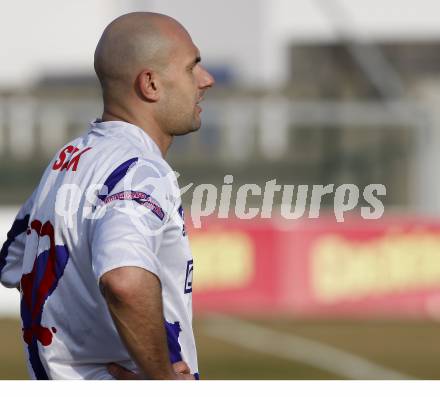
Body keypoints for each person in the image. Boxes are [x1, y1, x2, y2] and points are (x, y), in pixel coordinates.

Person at [0, 12, 215, 380]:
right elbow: (124, 281)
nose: (205, 80)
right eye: (191, 67)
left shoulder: (68, 160)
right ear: (150, 84)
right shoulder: (140, 169)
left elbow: (13, 263)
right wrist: (161, 379)